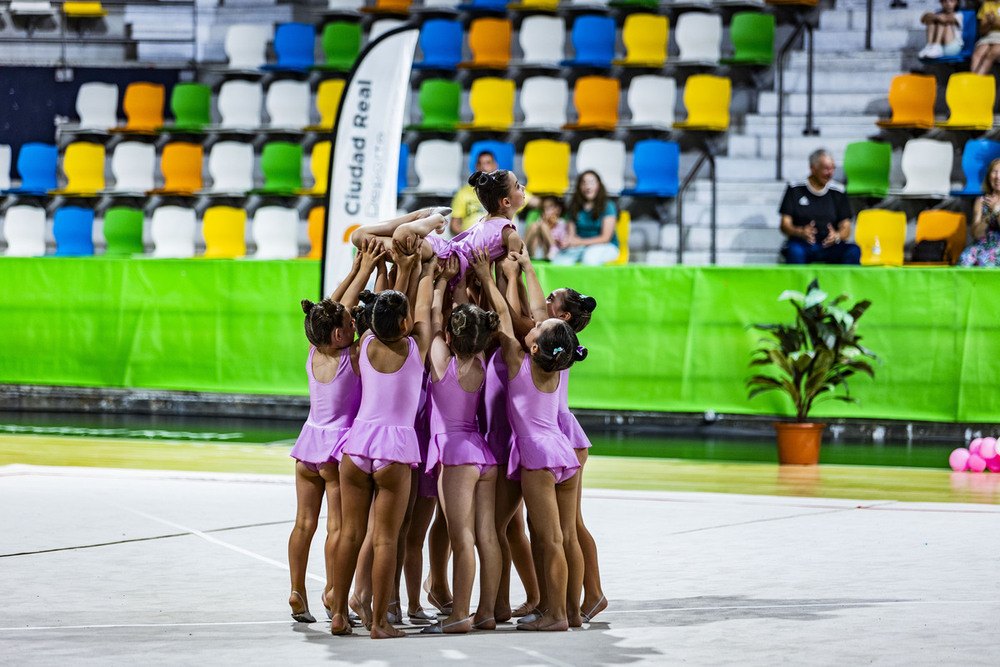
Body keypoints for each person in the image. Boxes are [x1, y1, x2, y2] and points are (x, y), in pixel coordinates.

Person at [328, 250, 437, 638]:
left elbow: (383, 308)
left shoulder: (364, 344)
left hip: (357, 447)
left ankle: (339, 614)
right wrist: (422, 266)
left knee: (350, 534)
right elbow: (422, 302)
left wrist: (384, 267)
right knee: (386, 537)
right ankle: (378, 623)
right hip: (395, 450)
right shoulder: (417, 345)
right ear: (407, 323)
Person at [483, 248, 587, 632]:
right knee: (563, 536)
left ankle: (556, 614)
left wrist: (494, 275)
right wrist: (523, 270)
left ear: (533, 347)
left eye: (537, 330)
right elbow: (543, 321)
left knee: (549, 539)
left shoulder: (517, 361)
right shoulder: (557, 365)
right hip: (563, 451)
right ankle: (570, 611)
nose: (535, 323)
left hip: (537, 455)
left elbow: (505, 317)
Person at [287, 240, 384, 624]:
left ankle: (296, 590)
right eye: (350, 325)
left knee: (303, 523)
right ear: (341, 336)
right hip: (336, 451)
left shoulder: (315, 345)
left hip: (309, 444)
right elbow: (344, 310)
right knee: (338, 527)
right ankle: (332, 591)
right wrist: (375, 272)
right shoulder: (355, 355)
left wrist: (357, 268)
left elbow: (333, 306)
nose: (354, 322)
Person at [420, 252, 502, 634]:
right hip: (482, 453)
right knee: (487, 534)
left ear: (450, 338)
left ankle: (460, 614)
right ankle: (485, 611)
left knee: (462, 536)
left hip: (454, 453)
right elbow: (469, 326)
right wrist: (476, 284)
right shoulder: (483, 358)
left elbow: (433, 322)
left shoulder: (441, 360)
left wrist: (440, 282)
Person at [778, 149, 861, 265]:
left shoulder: (839, 191)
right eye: (826, 168)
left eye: (832, 168)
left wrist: (836, 236)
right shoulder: (795, 188)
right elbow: (784, 225)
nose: (830, 173)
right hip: (802, 244)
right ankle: (798, 283)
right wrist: (800, 232)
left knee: (853, 250)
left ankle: (846, 284)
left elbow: (846, 228)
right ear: (812, 168)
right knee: (795, 251)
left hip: (830, 247)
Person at [552, 170, 620, 266]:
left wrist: (580, 242)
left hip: (606, 246)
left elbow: (605, 238)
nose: (588, 187)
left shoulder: (608, 206)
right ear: (579, 187)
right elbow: (572, 235)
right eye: (584, 183)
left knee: (589, 259)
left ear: (599, 185)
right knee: (558, 262)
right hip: (581, 246)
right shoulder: (573, 206)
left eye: (592, 182)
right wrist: (567, 242)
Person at [959, 157, 1000, 266]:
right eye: (995, 172)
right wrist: (989, 214)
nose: (998, 177)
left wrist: (996, 209)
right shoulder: (981, 201)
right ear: (989, 176)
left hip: (998, 249)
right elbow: (976, 234)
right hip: (983, 246)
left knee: (986, 261)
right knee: (965, 258)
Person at [450, 150, 497, 235]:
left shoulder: (505, 191)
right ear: (476, 167)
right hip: (471, 242)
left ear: (495, 166)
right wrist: (468, 238)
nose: (483, 167)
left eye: (488, 163)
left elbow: (527, 200)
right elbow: (454, 225)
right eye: (480, 163)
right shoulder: (463, 193)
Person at [524, 196, 569, 261]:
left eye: (549, 208)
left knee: (543, 226)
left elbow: (562, 241)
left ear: (558, 209)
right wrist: (543, 222)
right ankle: (522, 249)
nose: (546, 211)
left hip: (554, 251)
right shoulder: (540, 221)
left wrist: (548, 227)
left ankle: (552, 249)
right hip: (539, 249)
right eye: (544, 208)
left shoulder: (561, 222)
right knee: (534, 225)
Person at [971, 1, 1000, 74]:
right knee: (977, 54)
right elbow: (982, 31)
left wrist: (994, 21)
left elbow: (994, 21)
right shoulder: (986, 5)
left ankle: (976, 81)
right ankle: (974, 80)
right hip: (988, 36)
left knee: (990, 54)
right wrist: (989, 23)